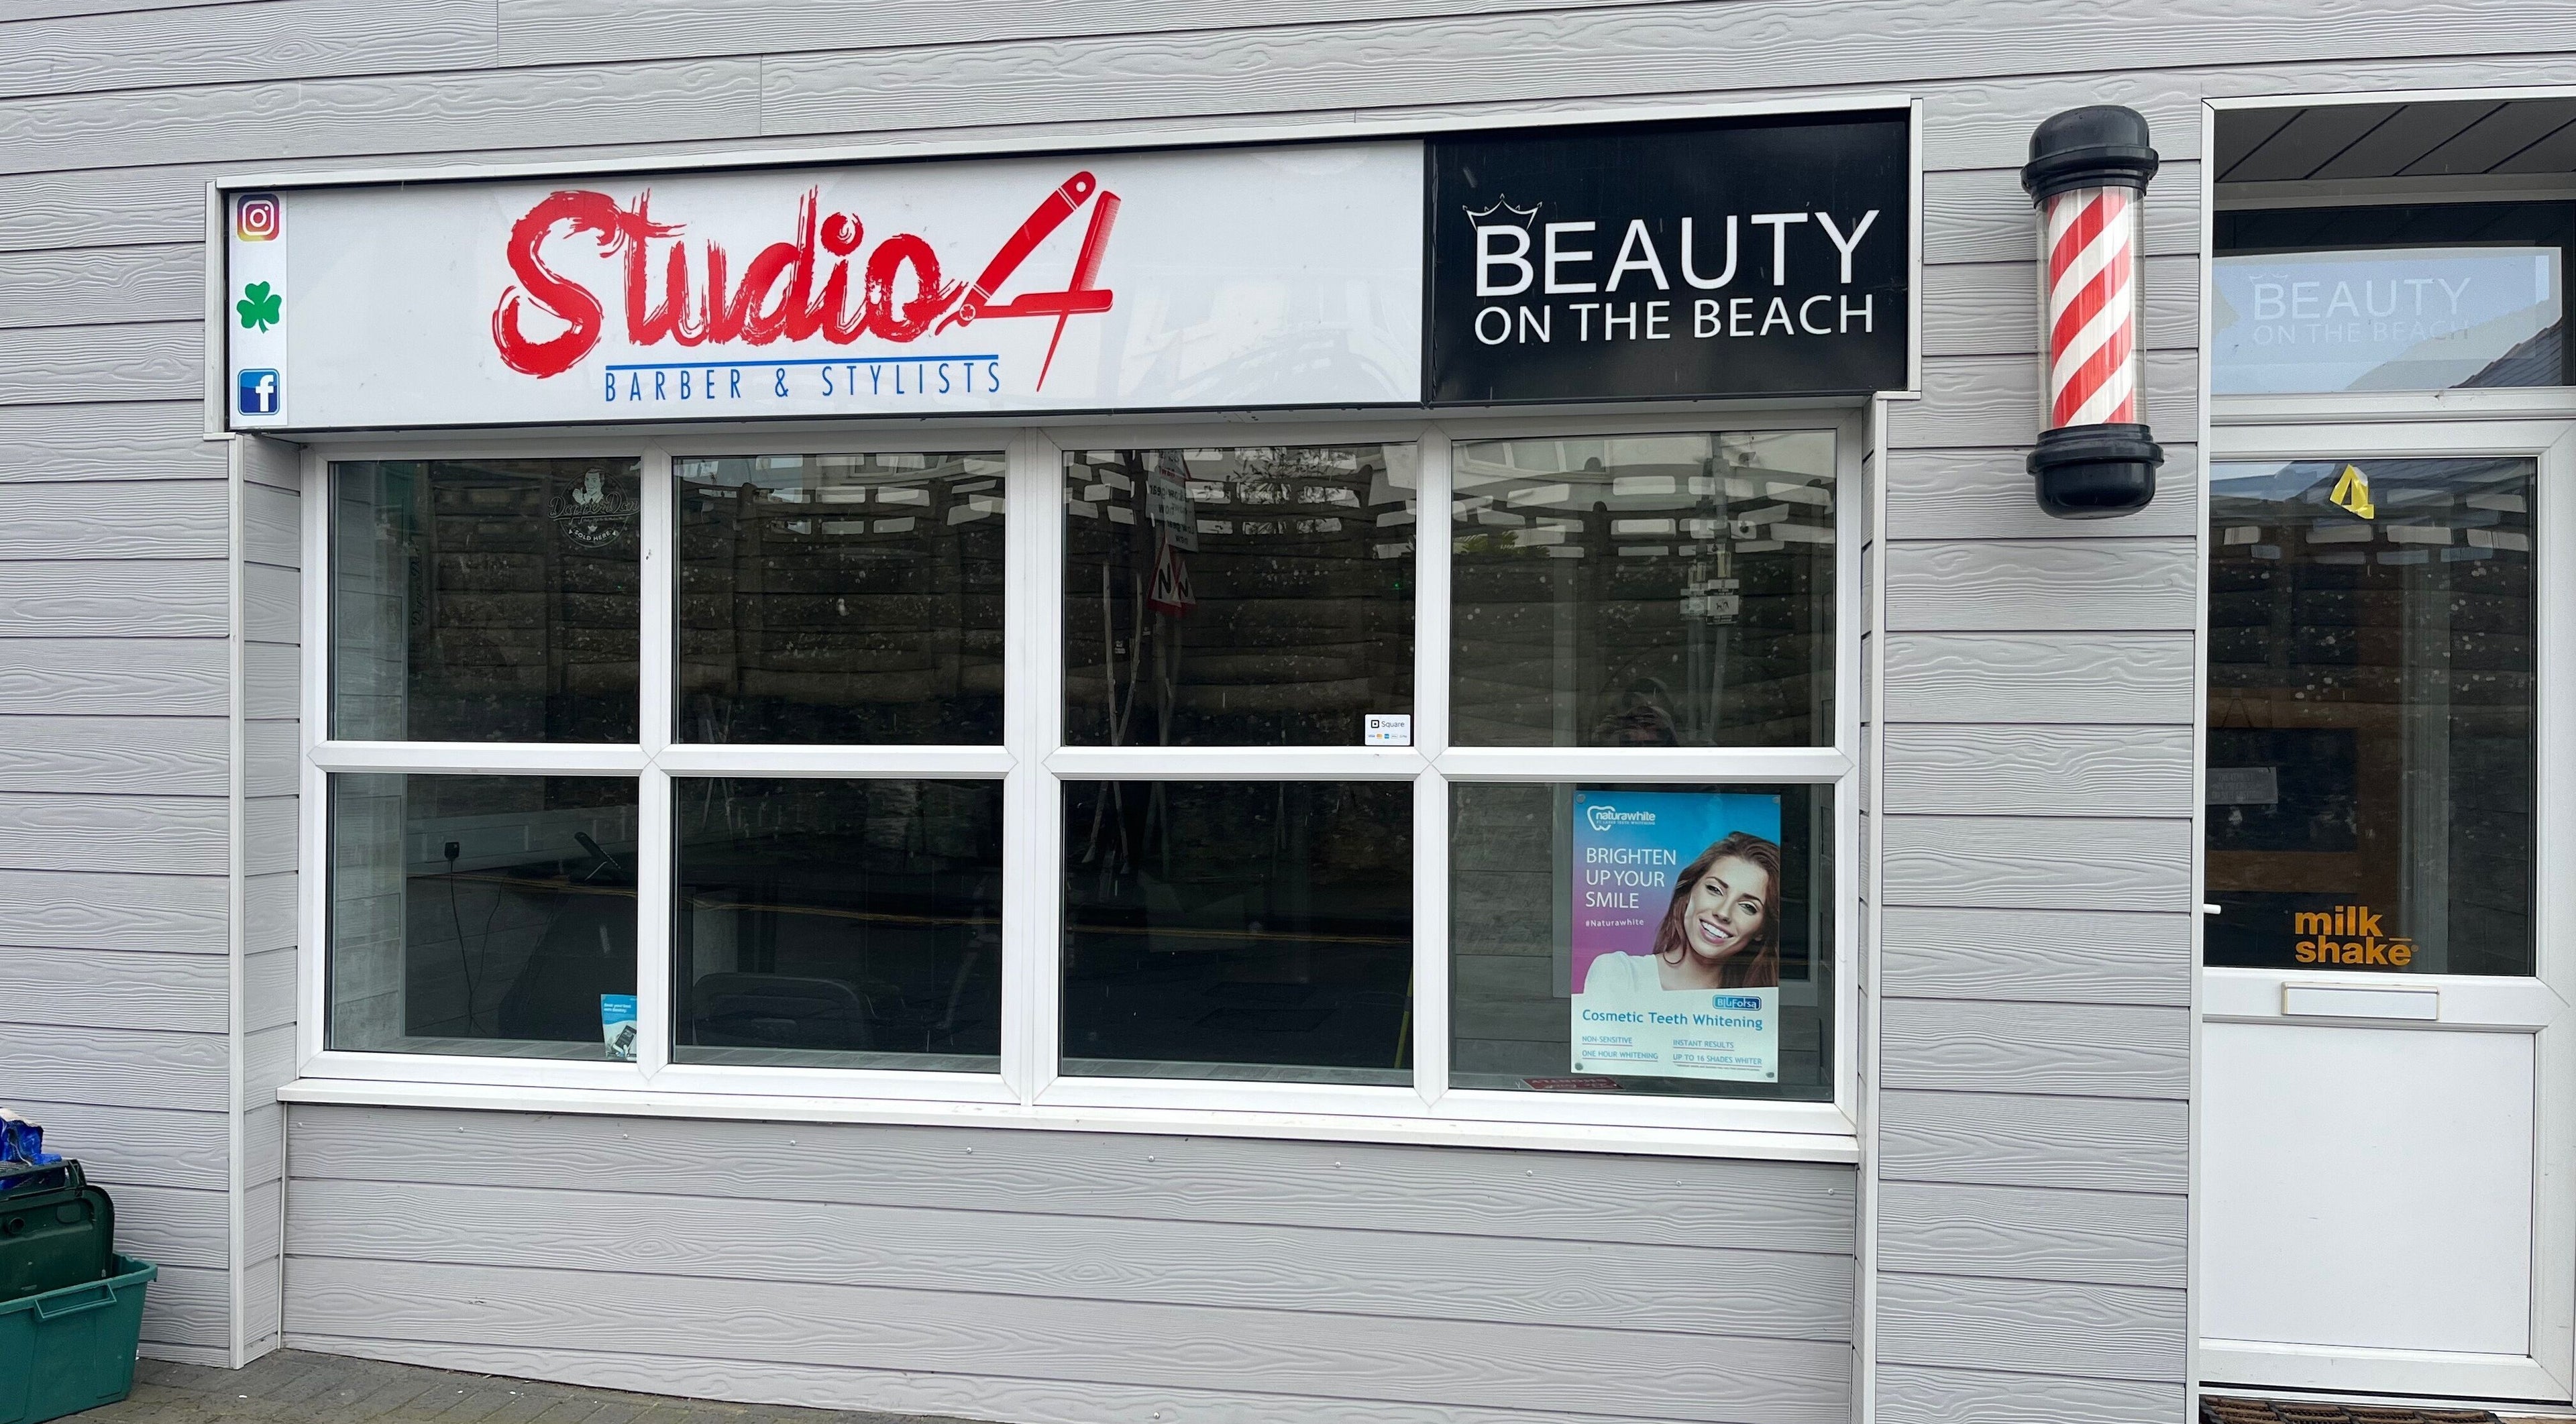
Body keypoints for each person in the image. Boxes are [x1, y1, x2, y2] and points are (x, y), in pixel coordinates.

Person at [1580, 830, 1782, 992]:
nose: (1723, 913)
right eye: (1714, 889)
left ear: (1762, 930)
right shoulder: (1620, 975)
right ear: (1688, 892)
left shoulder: (1757, 1001)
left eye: (1748, 907)